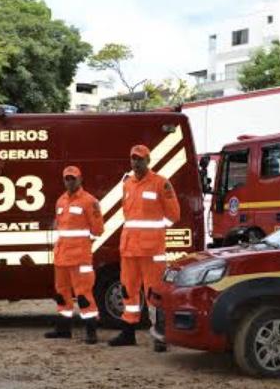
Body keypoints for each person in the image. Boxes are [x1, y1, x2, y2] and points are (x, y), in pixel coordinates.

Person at [108, 144, 180, 351]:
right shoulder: (127, 184)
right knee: (128, 291)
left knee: (154, 294)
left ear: (148, 161)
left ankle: (159, 336)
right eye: (133, 159)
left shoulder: (161, 184)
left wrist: (155, 233)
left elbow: (174, 216)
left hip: (151, 251)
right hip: (130, 249)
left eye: (140, 159)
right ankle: (128, 333)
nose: (136, 162)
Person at [45, 166, 105, 343]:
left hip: (80, 258)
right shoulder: (61, 201)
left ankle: (91, 331)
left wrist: (84, 245)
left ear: (80, 179)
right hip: (62, 257)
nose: (70, 182)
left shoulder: (90, 201)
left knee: (84, 295)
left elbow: (98, 230)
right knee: (61, 294)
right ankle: (64, 329)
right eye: (67, 179)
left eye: (73, 178)